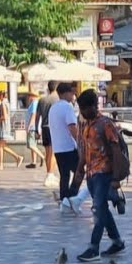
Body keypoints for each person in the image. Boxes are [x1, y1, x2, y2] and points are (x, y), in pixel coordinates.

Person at [74, 89, 126, 261]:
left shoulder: (105, 124)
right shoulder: (86, 125)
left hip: (104, 174)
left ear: (92, 106)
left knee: (97, 209)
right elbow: (85, 149)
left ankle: (94, 247)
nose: (81, 112)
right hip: (91, 174)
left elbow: (116, 150)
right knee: (102, 209)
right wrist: (80, 169)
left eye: (83, 109)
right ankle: (117, 241)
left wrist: (116, 178)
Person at [50, 83, 83, 212]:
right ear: (65, 93)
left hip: (58, 148)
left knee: (64, 175)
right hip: (68, 147)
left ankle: (64, 199)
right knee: (80, 171)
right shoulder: (67, 107)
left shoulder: (53, 108)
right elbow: (72, 127)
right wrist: (80, 142)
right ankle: (71, 196)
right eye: (72, 93)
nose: (73, 95)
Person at [0, 89, 24, 169]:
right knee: (1, 145)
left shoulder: (3, 103)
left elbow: (4, 117)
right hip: (5, 126)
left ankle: (6, 162)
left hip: (3, 126)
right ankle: (3, 163)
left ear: (1, 96)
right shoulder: (7, 103)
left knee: (0, 145)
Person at [36, 81, 60, 186]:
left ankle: (49, 174)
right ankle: (50, 174)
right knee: (54, 152)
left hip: (44, 127)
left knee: (47, 152)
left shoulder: (42, 100)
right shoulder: (57, 100)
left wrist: (36, 129)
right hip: (53, 127)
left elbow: (37, 116)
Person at [23, 90, 46, 169]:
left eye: (30, 95)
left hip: (32, 127)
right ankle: (33, 162)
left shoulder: (34, 103)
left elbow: (33, 115)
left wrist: (29, 126)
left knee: (31, 145)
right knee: (33, 145)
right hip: (33, 127)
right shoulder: (34, 104)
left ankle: (42, 157)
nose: (29, 97)